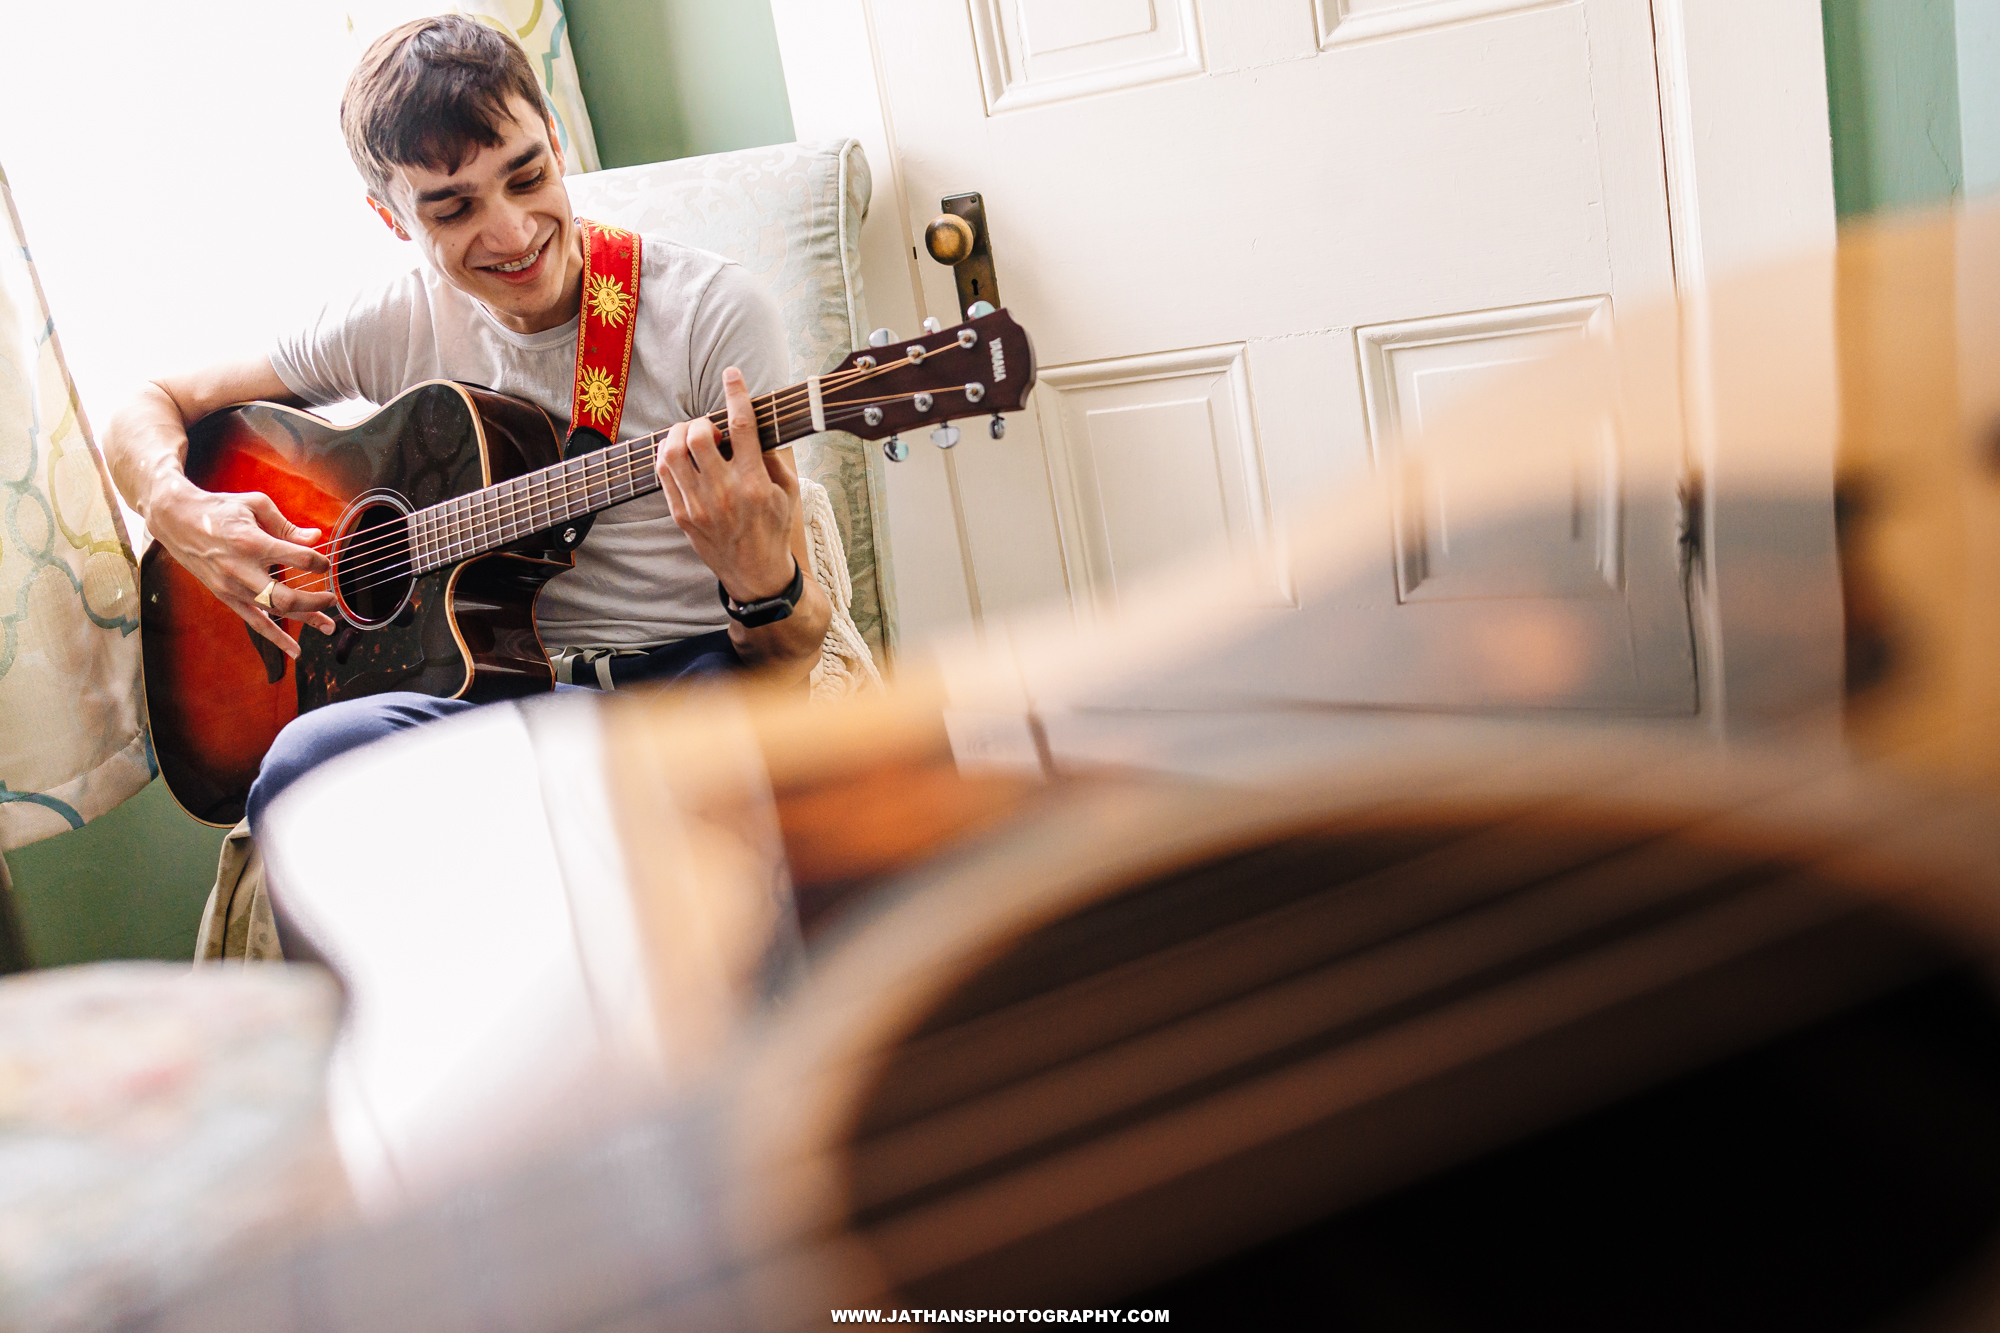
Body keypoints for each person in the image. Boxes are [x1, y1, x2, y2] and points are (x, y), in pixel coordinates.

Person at [101, 15, 831, 829]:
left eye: (528, 177)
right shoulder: (392, 319)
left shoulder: (712, 318)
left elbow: (793, 648)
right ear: (393, 219)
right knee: (303, 768)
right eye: (453, 210)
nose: (513, 234)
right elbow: (147, 402)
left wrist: (760, 580)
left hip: (674, 686)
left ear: (556, 140)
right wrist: (180, 509)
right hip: (487, 700)